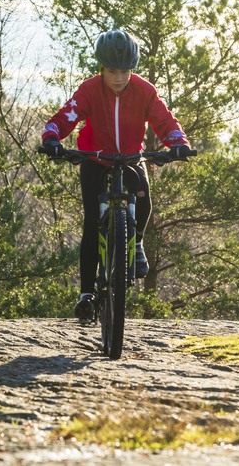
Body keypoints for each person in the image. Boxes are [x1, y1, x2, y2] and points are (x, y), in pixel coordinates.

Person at [40, 29, 191, 321]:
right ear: (102, 68)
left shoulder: (145, 91)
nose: (119, 78)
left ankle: (135, 244)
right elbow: (67, 116)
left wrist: (178, 143)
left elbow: (164, 119)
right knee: (92, 223)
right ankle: (86, 294)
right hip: (95, 159)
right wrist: (52, 138)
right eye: (112, 71)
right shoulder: (90, 90)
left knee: (144, 201)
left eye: (125, 71)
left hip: (132, 158)